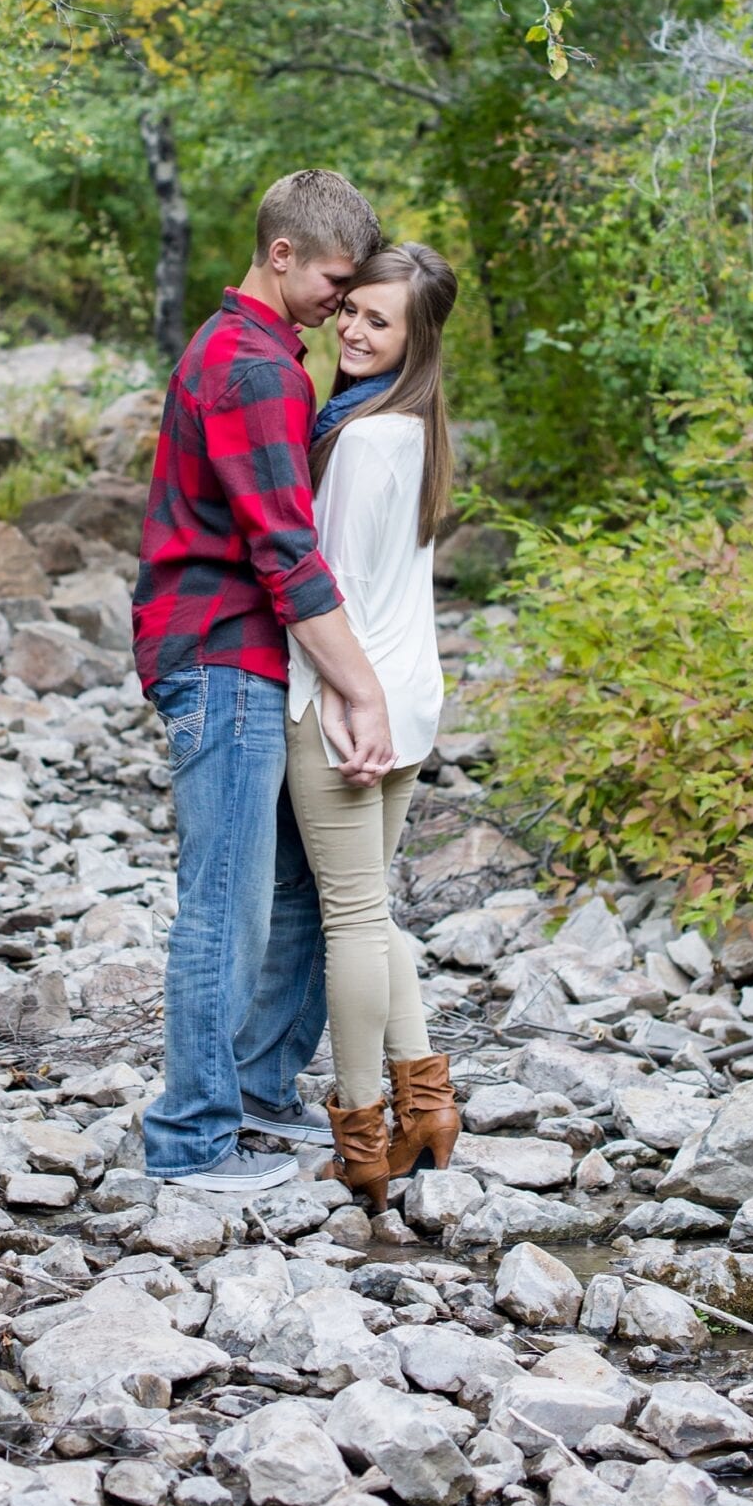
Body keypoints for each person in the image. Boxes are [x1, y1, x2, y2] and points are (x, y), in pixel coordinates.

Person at [132, 169, 396, 1194]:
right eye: (335, 278)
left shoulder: (259, 354)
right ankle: (192, 1137)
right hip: (224, 658)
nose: (341, 299)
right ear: (280, 254)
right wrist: (362, 690)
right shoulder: (251, 368)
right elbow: (285, 551)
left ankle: (249, 1092)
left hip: (250, 659)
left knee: (291, 888)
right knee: (225, 903)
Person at [284, 241, 462, 1213]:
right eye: (348, 309)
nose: (350, 329)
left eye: (376, 321)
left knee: (348, 917)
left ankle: (360, 1136)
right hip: (409, 693)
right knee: (374, 906)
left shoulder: (358, 438)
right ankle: (426, 1104)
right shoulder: (415, 427)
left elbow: (328, 589)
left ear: (413, 339)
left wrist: (343, 702)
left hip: (347, 703)